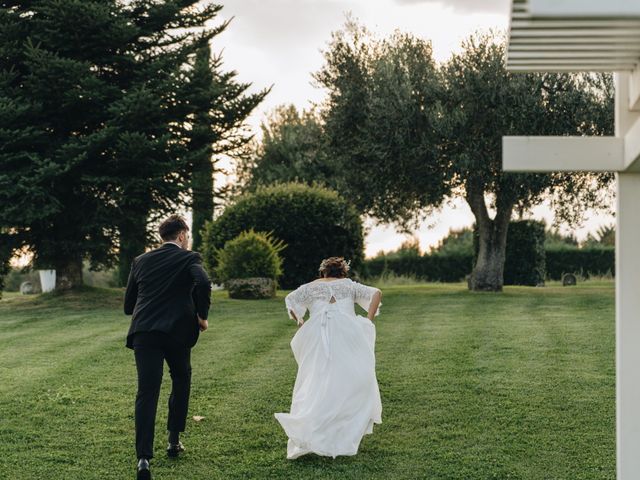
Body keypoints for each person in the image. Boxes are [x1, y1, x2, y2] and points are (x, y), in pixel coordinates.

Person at [124, 214, 212, 480]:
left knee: (147, 391)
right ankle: (173, 441)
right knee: (181, 378)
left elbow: (129, 305)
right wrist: (202, 315)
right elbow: (204, 282)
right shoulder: (189, 258)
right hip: (176, 332)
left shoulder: (140, 261)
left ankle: (143, 460)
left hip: (145, 332)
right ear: (182, 235)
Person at [274, 256, 383, 459]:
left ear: (323, 272)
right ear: (343, 272)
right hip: (348, 333)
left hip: (318, 333)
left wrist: (301, 322)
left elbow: (290, 300)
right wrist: (368, 321)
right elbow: (376, 293)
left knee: (316, 377)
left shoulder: (310, 287)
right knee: (350, 377)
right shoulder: (349, 286)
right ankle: (343, 426)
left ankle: (313, 422)